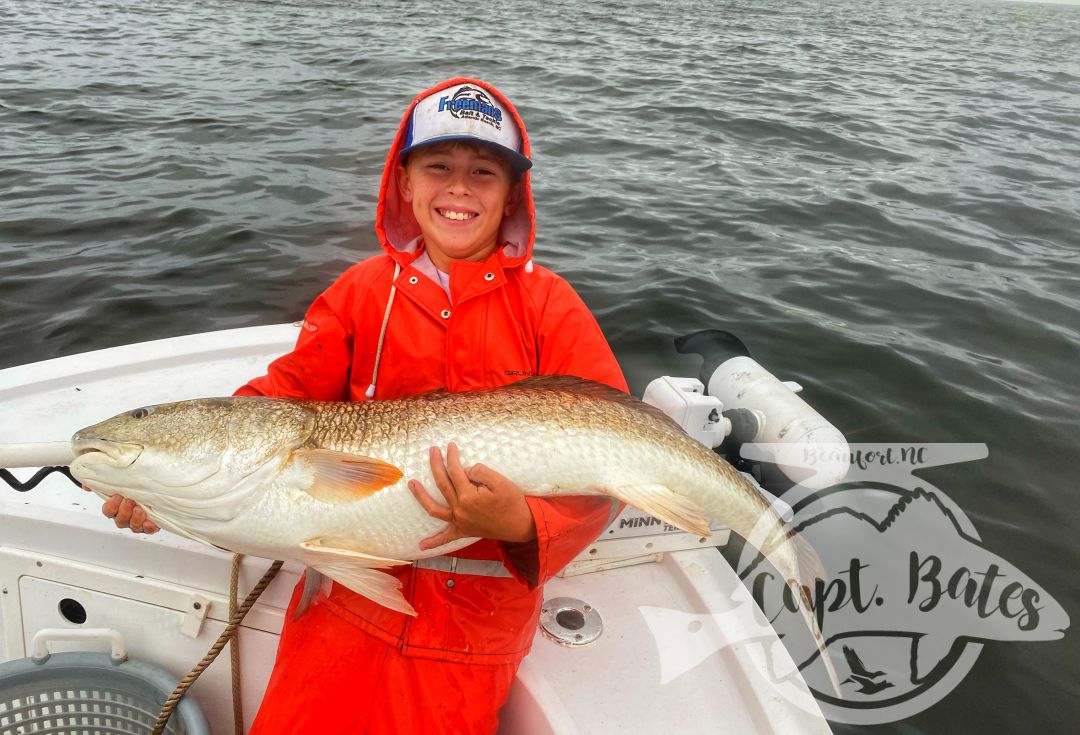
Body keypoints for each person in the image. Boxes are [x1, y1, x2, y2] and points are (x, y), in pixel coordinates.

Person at [98, 77, 626, 734]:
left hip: (472, 634)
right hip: (341, 608)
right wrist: (167, 482)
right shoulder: (358, 294)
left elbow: (613, 467)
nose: (459, 187)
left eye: (483, 172)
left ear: (512, 193)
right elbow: (277, 401)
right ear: (403, 181)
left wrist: (524, 521)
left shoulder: (553, 309)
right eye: (438, 166)